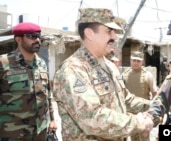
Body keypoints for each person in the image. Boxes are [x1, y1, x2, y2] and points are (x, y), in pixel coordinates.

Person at [52, 8, 154, 141]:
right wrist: (138, 123)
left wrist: (153, 106)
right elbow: (91, 117)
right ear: (89, 33)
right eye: (109, 31)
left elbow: (125, 99)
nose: (114, 37)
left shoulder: (110, 66)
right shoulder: (73, 69)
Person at [0, 22, 57, 140]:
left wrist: (52, 119)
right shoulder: (3, 63)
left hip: (40, 131)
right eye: (32, 36)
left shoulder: (41, 63)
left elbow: (47, 95)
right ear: (19, 39)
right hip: (12, 132)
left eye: (38, 36)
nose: (37, 40)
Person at [122, 51, 158, 141]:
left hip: (143, 114)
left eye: (138, 61)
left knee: (144, 137)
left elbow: (155, 94)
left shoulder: (147, 75)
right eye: (134, 60)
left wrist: (152, 111)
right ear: (130, 61)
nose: (136, 63)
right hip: (128, 114)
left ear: (142, 62)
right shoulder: (124, 75)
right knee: (130, 137)